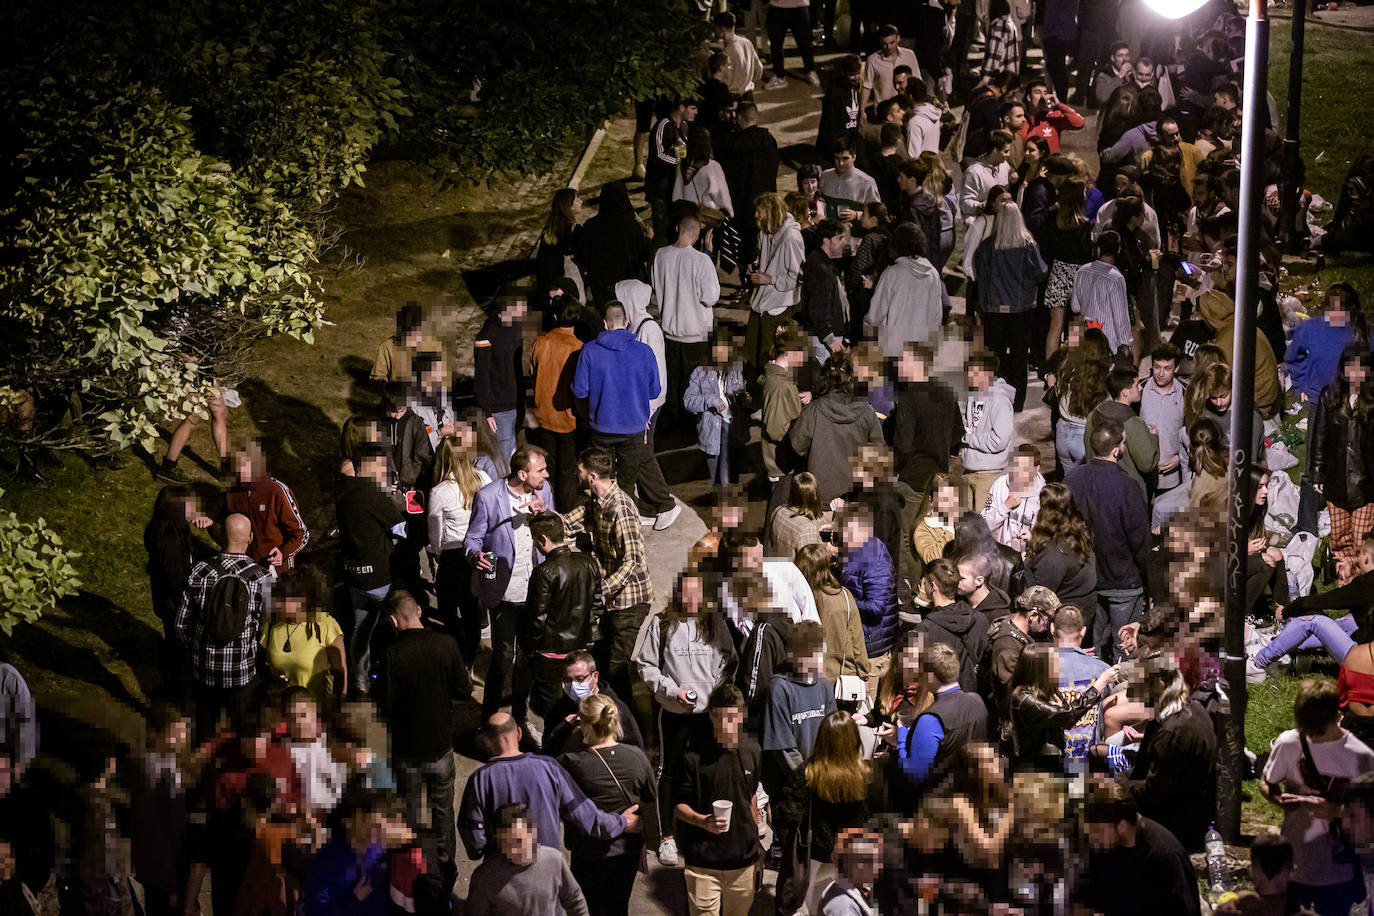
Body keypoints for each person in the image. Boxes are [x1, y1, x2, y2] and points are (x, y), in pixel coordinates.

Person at [633, 572, 737, 868]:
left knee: (706, 771)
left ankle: (701, 828)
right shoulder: (663, 624)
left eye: (697, 595)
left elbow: (730, 661)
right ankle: (666, 837)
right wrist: (672, 690)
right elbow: (646, 666)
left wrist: (715, 693)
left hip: (708, 716)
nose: (692, 601)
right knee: (668, 774)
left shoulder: (714, 623)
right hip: (675, 714)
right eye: (687, 594)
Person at [1259, 677, 1374, 915]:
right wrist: (1280, 800)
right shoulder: (1289, 742)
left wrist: (1336, 811)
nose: (1312, 735)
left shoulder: (1361, 757)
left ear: (1336, 715)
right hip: (1293, 864)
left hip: (1338, 871)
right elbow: (1267, 783)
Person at [561, 449, 657, 727]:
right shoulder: (595, 501)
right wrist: (545, 515)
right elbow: (569, 523)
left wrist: (602, 588)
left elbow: (633, 561)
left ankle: (627, 727)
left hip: (630, 600)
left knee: (616, 668)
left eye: (580, 472)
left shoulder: (620, 507)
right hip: (611, 601)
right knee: (601, 661)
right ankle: (601, 719)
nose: (576, 475)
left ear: (591, 476)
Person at [459, 712, 638, 861]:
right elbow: (586, 814)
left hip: (503, 878)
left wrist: (483, 849)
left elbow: (475, 839)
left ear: (487, 742)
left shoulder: (479, 780)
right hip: (547, 872)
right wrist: (621, 822)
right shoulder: (549, 768)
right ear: (519, 733)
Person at [465, 445, 555, 725]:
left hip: (537, 591)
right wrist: (474, 556)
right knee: (502, 658)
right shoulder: (489, 496)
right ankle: (489, 718)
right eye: (540, 470)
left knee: (528, 658)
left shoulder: (545, 491)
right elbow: (473, 538)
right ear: (521, 473)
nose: (546, 474)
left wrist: (545, 515)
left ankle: (521, 716)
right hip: (505, 591)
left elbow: (555, 530)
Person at [572, 301, 678, 528]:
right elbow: (654, 390)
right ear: (627, 322)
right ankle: (625, 526)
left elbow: (580, 390)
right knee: (627, 484)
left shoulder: (589, 351)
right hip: (634, 429)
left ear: (604, 323)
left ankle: (601, 525)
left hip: (601, 428)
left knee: (600, 480)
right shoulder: (643, 351)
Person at [175, 513, 274, 740]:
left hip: (204, 670)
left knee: (204, 731)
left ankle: (201, 766)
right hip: (242, 673)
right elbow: (266, 625)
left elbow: (180, 624)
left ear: (220, 535)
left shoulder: (200, 570)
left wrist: (197, 650)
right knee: (243, 733)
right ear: (250, 538)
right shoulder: (262, 578)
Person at [556, 694, 654, 916]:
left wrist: (565, 726)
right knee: (617, 907)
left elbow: (548, 762)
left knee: (587, 908)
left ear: (586, 725)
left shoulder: (573, 762)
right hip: (626, 852)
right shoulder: (637, 757)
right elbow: (650, 799)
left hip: (588, 850)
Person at [1066, 418, 1150, 663]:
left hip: (1087, 577)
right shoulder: (1128, 486)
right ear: (1116, 449)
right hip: (1123, 580)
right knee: (1123, 646)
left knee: (1093, 644)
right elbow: (1139, 538)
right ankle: (1117, 692)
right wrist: (1148, 577)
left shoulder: (1072, 480)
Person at [675, 684, 762, 916]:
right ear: (711, 715)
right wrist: (703, 821)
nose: (726, 726)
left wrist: (758, 845)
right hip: (703, 863)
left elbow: (751, 796)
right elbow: (679, 806)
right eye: (720, 718)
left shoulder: (752, 750)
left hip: (743, 861)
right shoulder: (692, 755)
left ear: (742, 716)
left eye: (732, 719)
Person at [1072, 783, 1202, 916]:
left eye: (1097, 831)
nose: (1093, 838)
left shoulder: (1164, 855)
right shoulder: (1104, 849)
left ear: (1122, 825)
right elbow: (1084, 900)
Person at [334, 444, 402, 694]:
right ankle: (394, 681)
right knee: (395, 628)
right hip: (380, 578)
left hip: (354, 576)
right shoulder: (371, 494)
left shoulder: (343, 490)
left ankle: (361, 682)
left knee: (360, 631)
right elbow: (401, 528)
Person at [881, 641, 989, 796]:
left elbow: (914, 776)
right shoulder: (977, 701)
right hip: (972, 793)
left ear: (930, 676)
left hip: (941, 803)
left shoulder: (930, 720)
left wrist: (902, 736)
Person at [523, 511, 601, 717]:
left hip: (551, 656)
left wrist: (530, 649)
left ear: (542, 539)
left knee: (554, 713)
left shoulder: (544, 572)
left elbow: (537, 618)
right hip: (581, 653)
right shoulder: (588, 563)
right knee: (582, 706)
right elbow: (597, 603)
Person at [796, 712, 871, 916]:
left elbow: (793, 815)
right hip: (853, 860)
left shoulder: (808, 773)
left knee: (816, 909)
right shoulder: (865, 775)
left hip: (818, 858)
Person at [654, 210, 721, 430]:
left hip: (670, 332)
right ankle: (690, 426)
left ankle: (671, 423)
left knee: (673, 380)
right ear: (699, 234)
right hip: (696, 334)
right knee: (694, 384)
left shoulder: (660, 255)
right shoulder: (701, 261)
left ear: (677, 229)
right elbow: (710, 297)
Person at [1313, 346, 1374, 584]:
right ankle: (1343, 574)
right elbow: (1319, 437)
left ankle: (1360, 581)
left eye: (1362, 369)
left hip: (1364, 485)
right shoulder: (1330, 396)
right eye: (1351, 368)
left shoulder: (1371, 402)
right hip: (1335, 482)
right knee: (1339, 536)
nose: (1356, 374)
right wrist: (1317, 472)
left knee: (1361, 537)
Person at [427, 434, 491, 663]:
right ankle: (470, 658)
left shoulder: (440, 492)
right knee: (472, 609)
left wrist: (436, 552)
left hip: (453, 555)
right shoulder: (483, 478)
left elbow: (435, 532)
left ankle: (458, 653)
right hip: (479, 551)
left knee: (447, 609)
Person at [789, 354, 885, 504]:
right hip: (854, 496)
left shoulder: (813, 410)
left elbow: (796, 444)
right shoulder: (866, 411)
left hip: (819, 494)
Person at [467, 802, 590, 916]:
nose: (514, 850)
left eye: (519, 841)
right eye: (507, 844)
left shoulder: (554, 861)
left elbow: (575, 901)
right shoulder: (486, 877)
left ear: (532, 834)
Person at [1008, 644, 1115, 770]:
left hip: (1052, 761)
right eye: (1055, 664)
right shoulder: (1023, 698)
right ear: (1042, 669)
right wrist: (1098, 686)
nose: (1060, 668)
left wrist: (1061, 709)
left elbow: (1066, 713)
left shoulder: (1047, 689)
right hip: (1034, 767)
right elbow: (1066, 716)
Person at [261, 566, 345, 712]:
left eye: (284, 599)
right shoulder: (271, 626)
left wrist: (337, 709)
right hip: (280, 713)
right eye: (277, 597)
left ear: (303, 600)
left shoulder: (325, 624)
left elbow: (340, 672)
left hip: (315, 714)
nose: (277, 603)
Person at [527, 298, 583, 510]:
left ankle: (546, 510)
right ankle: (566, 513)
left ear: (554, 316)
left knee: (545, 469)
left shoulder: (539, 343)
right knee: (567, 470)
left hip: (543, 415)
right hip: (567, 419)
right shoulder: (577, 347)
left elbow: (533, 374)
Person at [225, 439, 309, 571]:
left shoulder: (277, 491)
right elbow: (229, 535)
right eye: (237, 465)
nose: (240, 470)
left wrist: (283, 552)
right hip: (245, 571)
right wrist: (210, 525)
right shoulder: (233, 493)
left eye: (245, 465)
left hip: (277, 571)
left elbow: (301, 533)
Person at [543, 650, 645, 757]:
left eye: (580, 679)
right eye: (568, 680)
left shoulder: (615, 709)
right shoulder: (559, 709)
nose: (574, 686)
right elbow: (547, 752)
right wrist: (564, 728)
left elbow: (636, 753)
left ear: (595, 677)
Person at [1022, 483, 1097, 626]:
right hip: (1081, 613)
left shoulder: (1053, 554)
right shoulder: (1078, 535)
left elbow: (1040, 595)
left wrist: (1025, 561)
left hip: (1062, 622)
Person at [864, 222, 942, 359]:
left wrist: (868, 333)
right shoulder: (933, 273)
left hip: (894, 349)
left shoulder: (892, 273)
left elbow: (876, 313)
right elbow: (937, 315)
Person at [795, 543, 870, 685]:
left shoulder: (802, 600)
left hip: (812, 680)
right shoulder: (845, 596)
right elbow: (858, 643)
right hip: (844, 679)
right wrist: (864, 674)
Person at [686, 326, 749, 488]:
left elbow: (741, 396)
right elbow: (688, 401)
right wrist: (711, 400)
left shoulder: (735, 370)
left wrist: (743, 396)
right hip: (711, 432)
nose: (720, 355)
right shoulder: (700, 373)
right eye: (717, 350)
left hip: (733, 431)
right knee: (716, 479)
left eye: (724, 350)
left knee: (730, 478)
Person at [748, 193, 805, 373]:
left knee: (770, 355)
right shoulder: (765, 231)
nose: (757, 216)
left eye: (760, 212)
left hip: (778, 307)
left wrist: (770, 279)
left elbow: (798, 277)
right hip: (761, 304)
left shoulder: (791, 237)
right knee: (753, 354)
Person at [1083, 367, 1159, 501]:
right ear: (1125, 392)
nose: (1141, 388)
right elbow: (1147, 464)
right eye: (1136, 385)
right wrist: (1153, 437)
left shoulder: (1094, 414)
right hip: (1127, 494)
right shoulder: (1132, 423)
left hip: (1097, 487)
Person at [1049, 604, 1110, 770]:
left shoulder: (1037, 668)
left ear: (1052, 628)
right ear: (1083, 631)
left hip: (1051, 762)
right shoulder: (1103, 671)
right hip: (1090, 763)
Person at [917, 558, 989, 693]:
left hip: (941, 704)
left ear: (933, 586)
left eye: (924, 582)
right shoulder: (980, 619)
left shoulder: (924, 630)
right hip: (974, 700)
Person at [959, 351, 1016, 514]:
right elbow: (971, 426)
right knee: (966, 526)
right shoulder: (973, 395)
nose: (970, 375)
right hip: (968, 470)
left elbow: (999, 440)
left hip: (988, 475)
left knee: (984, 529)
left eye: (974, 371)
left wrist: (967, 438)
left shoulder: (1000, 400)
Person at [1140, 342, 1188, 529]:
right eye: (1157, 367)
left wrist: (1179, 458)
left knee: (1167, 526)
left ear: (1176, 369)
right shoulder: (1141, 390)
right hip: (1143, 472)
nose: (1161, 373)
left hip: (1171, 473)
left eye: (1167, 368)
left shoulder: (1185, 393)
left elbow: (1191, 433)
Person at [474, 295, 527, 464]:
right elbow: (482, 375)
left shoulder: (514, 330)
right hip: (499, 409)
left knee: (510, 453)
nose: (522, 310)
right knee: (500, 458)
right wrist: (486, 410)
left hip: (515, 404)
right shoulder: (487, 336)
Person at [1071, 229, 1132, 358]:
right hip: (1108, 343)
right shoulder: (1116, 278)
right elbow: (1120, 317)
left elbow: (1075, 307)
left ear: (1099, 248)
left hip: (1084, 338)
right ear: (1118, 250)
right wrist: (1125, 343)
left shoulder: (1082, 271)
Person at [647, 98, 698, 245]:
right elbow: (658, 155)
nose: (696, 112)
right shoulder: (663, 125)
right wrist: (680, 164)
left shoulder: (683, 127)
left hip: (676, 192)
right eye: (693, 108)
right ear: (681, 107)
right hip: (661, 191)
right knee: (661, 236)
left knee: (674, 235)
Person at [798, 218, 849, 364]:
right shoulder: (821, 268)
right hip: (823, 339)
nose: (844, 242)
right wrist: (829, 337)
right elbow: (818, 305)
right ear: (826, 240)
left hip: (822, 336)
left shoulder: (821, 260)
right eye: (840, 238)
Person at [980, 443, 1043, 552]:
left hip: (1032, 558)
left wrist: (1033, 538)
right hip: (1005, 557)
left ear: (1037, 468)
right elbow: (982, 526)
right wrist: (1005, 506)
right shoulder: (1000, 485)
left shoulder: (1044, 494)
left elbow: (1050, 534)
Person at [534, 188, 586, 311]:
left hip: (548, 280)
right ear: (569, 206)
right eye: (577, 200)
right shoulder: (574, 230)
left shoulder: (550, 228)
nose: (581, 202)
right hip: (568, 277)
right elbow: (583, 255)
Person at [766, 470, 826, 559]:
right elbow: (811, 565)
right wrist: (827, 549)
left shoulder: (778, 511)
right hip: (796, 572)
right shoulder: (807, 528)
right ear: (814, 496)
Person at [674, 130, 735, 218]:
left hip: (685, 217)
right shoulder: (712, 166)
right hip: (705, 218)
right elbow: (722, 196)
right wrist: (730, 213)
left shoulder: (681, 165)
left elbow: (677, 192)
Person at [859, 25, 919, 114]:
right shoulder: (872, 60)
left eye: (892, 43)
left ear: (898, 38)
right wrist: (862, 111)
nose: (889, 47)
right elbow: (867, 87)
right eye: (885, 44)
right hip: (884, 111)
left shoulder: (909, 55)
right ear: (880, 42)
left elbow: (917, 81)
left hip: (906, 110)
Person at [819, 138, 881, 224]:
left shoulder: (867, 183)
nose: (841, 163)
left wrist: (857, 215)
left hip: (855, 234)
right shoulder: (825, 176)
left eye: (845, 158)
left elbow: (877, 213)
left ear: (854, 157)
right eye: (837, 158)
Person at [959, 130, 1015, 221]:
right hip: (981, 225)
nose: (1009, 155)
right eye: (1006, 151)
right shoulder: (974, 172)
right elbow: (965, 203)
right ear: (995, 150)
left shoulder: (1005, 166)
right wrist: (985, 206)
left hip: (1001, 223)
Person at [764, 0, 821, 90]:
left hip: (800, 6)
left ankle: (810, 70)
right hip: (777, 6)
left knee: (805, 43)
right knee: (776, 44)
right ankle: (779, 75)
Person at [1019, 79, 1084, 153]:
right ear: (1029, 97)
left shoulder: (1053, 117)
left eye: (1045, 93)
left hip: (1049, 163)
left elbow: (1079, 123)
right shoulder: (1020, 118)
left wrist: (1060, 105)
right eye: (1038, 92)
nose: (1043, 96)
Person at [817, 55, 862, 157]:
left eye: (858, 74)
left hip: (850, 142)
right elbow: (830, 124)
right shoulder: (834, 94)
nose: (856, 78)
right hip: (837, 146)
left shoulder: (854, 90)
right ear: (844, 73)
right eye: (852, 74)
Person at [717, 12, 765, 97]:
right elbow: (759, 69)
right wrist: (747, 82)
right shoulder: (747, 43)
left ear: (722, 28)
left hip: (732, 97)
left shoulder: (726, 53)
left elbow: (723, 80)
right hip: (748, 94)